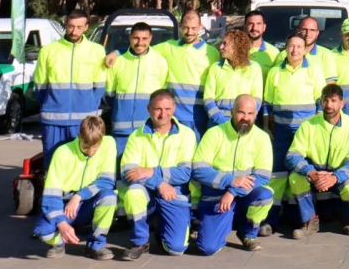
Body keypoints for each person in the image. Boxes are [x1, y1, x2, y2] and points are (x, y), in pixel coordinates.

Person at [118, 89, 197, 260]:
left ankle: (161, 228)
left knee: (176, 249)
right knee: (133, 193)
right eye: (158, 109)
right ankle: (140, 241)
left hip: (174, 193)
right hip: (148, 191)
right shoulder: (136, 136)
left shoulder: (187, 135)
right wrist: (159, 183)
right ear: (148, 109)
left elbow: (185, 173)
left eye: (167, 109)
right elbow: (128, 172)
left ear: (174, 108)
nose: (163, 114)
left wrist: (151, 171)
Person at [191, 95, 273, 254]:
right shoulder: (214, 133)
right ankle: (210, 225)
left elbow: (262, 176)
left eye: (250, 113)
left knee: (264, 195)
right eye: (241, 112)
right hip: (216, 195)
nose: (246, 118)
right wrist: (230, 181)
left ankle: (248, 234)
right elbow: (199, 169)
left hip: (243, 194)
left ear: (256, 114)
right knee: (208, 248)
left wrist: (232, 192)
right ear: (232, 112)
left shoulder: (262, 138)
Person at [263, 34, 327, 235]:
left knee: (300, 174)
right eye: (291, 46)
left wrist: (316, 130)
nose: (295, 50)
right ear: (285, 48)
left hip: (305, 133)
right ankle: (270, 220)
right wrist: (266, 127)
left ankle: (305, 219)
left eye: (299, 46)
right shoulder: (275, 72)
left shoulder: (314, 71)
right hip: (281, 132)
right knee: (278, 174)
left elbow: (320, 104)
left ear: (306, 49)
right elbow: (267, 104)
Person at [286, 83, 349, 238]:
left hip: (340, 174)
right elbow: (292, 156)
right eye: (325, 100)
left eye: (333, 101)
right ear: (321, 102)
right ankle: (309, 221)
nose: (329, 105)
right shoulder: (308, 125)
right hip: (314, 173)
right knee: (295, 178)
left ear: (342, 103)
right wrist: (311, 172)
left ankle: (347, 219)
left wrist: (334, 177)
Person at [34, 116, 117, 260]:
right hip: (64, 204)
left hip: (89, 201)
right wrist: (61, 223)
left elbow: (107, 181)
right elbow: (51, 195)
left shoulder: (109, 143)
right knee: (42, 231)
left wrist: (79, 196)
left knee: (109, 197)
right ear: (79, 136)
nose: (90, 152)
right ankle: (58, 243)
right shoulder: (62, 152)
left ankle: (96, 246)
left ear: (102, 138)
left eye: (95, 147)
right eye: (85, 146)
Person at [35, 10, 106, 171]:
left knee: (82, 165)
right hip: (53, 120)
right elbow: (40, 87)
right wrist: (51, 105)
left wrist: (89, 108)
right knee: (53, 164)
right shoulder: (48, 51)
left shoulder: (97, 51)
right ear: (65, 25)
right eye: (71, 26)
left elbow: (99, 86)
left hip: (83, 121)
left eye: (79, 27)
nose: (74, 31)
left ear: (86, 27)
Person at [149, 10, 220, 135]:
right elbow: (142, 50)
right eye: (186, 27)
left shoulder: (212, 52)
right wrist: (117, 53)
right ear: (180, 25)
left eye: (193, 28)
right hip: (173, 117)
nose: (189, 32)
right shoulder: (168, 47)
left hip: (199, 118)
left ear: (200, 27)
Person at [105, 22, 169, 154]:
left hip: (148, 130)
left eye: (144, 39)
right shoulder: (118, 61)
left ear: (150, 38)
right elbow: (109, 95)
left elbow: (161, 96)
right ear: (130, 37)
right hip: (121, 131)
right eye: (136, 38)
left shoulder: (160, 62)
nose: (140, 43)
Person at [202, 29, 264, 129]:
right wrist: (221, 121)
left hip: (243, 124)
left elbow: (257, 100)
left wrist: (244, 120)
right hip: (217, 125)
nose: (221, 47)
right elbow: (208, 99)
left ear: (237, 46)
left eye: (225, 44)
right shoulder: (215, 67)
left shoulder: (254, 68)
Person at [274, 16, 338, 83]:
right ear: (298, 31)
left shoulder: (326, 54)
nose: (308, 34)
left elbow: (330, 83)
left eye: (312, 30)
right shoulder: (284, 54)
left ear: (317, 33)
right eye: (304, 29)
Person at [244, 10, 279, 79]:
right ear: (244, 27)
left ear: (264, 27)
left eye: (258, 24)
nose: (254, 28)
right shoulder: (236, 50)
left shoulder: (275, 53)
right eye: (250, 24)